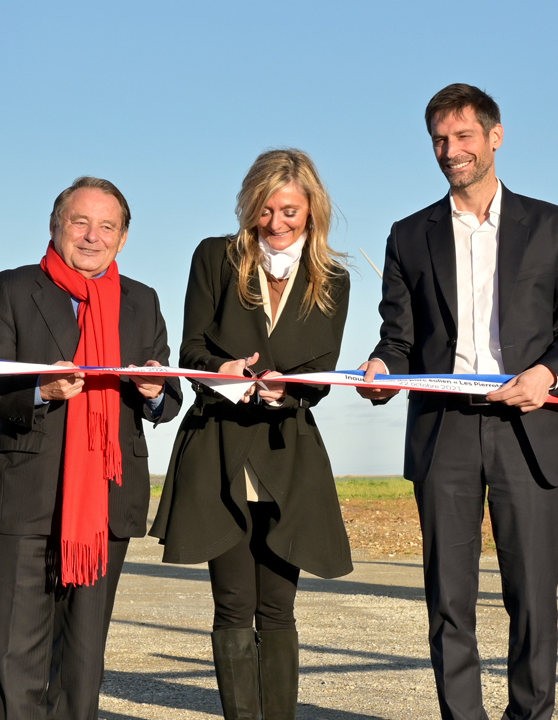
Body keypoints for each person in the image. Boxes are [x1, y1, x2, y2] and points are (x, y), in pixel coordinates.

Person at [355, 84, 558, 720]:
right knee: (448, 601)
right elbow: (398, 340)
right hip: (445, 432)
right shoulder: (408, 236)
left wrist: (548, 374)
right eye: (439, 139)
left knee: (533, 600)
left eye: (462, 136)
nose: (450, 150)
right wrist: (382, 370)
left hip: (531, 427)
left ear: (495, 136)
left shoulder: (553, 224)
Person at [0, 177, 183, 720]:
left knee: (82, 661)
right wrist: (39, 389)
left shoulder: (142, 300)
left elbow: (169, 399)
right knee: (13, 653)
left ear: (123, 238)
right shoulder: (12, 288)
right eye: (80, 222)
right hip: (26, 497)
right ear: (55, 226)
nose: (92, 236)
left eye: (107, 226)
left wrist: (154, 392)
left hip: (105, 503)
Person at [149, 149, 352, 720]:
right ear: (249, 207)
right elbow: (191, 350)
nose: (276, 222)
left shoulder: (332, 279)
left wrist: (287, 392)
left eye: (289, 211)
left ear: (311, 211)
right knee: (234, 606)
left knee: (279, 609)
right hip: (219, 448)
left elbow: (321, 373)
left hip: (289, 455)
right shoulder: (215, 257)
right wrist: (228, 373)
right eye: (264, 210)